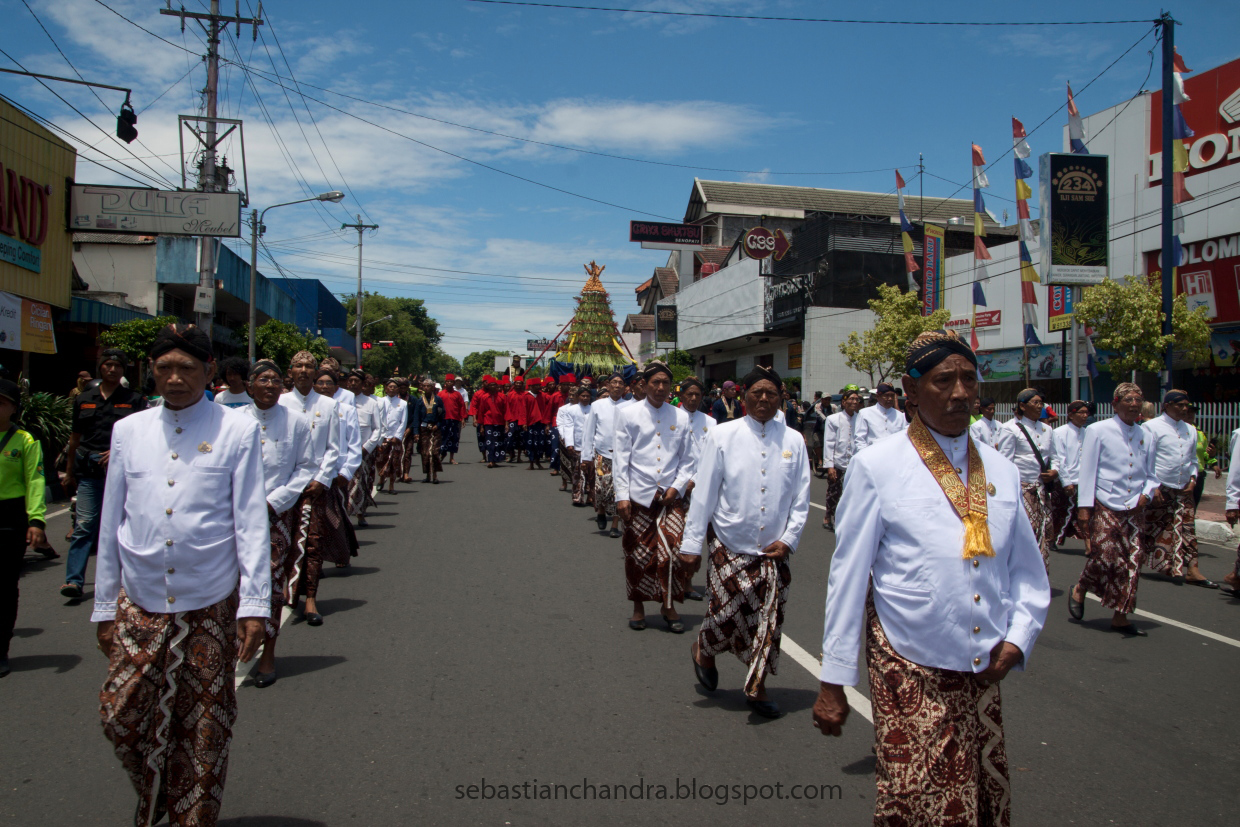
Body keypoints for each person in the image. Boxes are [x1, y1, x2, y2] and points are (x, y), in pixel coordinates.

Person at [813, 330, 1051, 824]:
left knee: (979, 798)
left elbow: (1027, 571)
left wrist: (1020, 637)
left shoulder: (1002, 471)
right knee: (914, 799)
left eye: (969, 379)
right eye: (944, 380)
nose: (960, 392)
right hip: (908, 658)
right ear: (911, 388)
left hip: (984, 664)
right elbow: (848, 577)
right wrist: (834, 680)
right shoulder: (878, 466)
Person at [93, 324, 269, 826]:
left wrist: (255, 605)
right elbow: (111, 520)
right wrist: (104, 606)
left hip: (209, 599)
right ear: (150, 371)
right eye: (164, 368)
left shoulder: (236, 429)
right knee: (121, 715)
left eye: (186, 368)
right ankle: (161, 793)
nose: (175, 378)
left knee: (204, 728)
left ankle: (191, 815)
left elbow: (250, 521)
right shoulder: (129, 430)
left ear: (208, 371)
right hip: (140, 597)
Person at [684, 365, 809, 719]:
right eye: (757, 393)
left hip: (773, 551)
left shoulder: (794, 441)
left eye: (772, 393)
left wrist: (789, 539)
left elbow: (801, 499)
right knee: (723, 612)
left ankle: (757, 686)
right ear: (744, 397)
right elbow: (704, 494)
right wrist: (691, 545)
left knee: (767, 619)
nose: (764, 399)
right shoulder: (722, 435)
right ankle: (704, 648)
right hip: (729, 542)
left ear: (781, 398)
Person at [243, 360, 316, 688]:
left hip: (276, 515)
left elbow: (306, 466)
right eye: (263, 379)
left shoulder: (296, 421)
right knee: (230, 584)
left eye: (275, 380)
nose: (270, 385)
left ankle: (268, 654)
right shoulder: (233, 421)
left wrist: (274, 502)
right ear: (250, 385)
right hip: (233, 516)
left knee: (271, 584)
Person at [1069, 383, 1160, 636]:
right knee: (1104, 555)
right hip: (1105, 501)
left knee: (1133, 560)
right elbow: (1087, 471)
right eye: (1128, 400)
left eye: (1138, 400)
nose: (1134, 405)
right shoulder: (1098, 430)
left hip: (1135, 506)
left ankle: (1121, 616)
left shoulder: (1147, 435)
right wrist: (1084, 508)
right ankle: (1081, 587)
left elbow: (1152, 474)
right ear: (1115, 404)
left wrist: (1147, 494)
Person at [613, 361, 695, 633]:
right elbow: (621, 458)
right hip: (638, 495)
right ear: (644, 384)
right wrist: (622, 496)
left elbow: (688, 459)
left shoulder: (681, 416)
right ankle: (638, 606)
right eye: (655, 382)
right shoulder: (628, 414)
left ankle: (668, 605)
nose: (660, 387)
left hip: (670, 497)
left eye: (665, 383)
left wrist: (678, 486)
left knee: (673, 552)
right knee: (638, 555)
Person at [62, 349, 147, 600]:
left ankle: (125, 581)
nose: (112, 369)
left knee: (123, 526)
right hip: (89, 472)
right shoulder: (84, 398)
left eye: (117, 365)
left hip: (122, 474)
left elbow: (143, 437)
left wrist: (118, 451)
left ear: (123, 370)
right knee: (84, 525)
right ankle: (73, 581)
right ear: (100, 367)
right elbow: (74, 438)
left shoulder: (134, 400)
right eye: (107, 365)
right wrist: (69, 472)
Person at [279, 354, 344, 625]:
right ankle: (282, 591)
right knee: (282, 542)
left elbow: (334, 447)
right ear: (290, 371)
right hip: (284, 487)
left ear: (316, 372)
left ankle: (311, 599)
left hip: (315, 486)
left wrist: (321, 479)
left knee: (313, 543)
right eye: (299, 366)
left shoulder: (328, 405)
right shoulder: (281, 402)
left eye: (309, 367)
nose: (304, 370)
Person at [1143, 391, 1216, 586]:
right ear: (1167, 406)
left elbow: (1193, 459)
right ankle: (1132, 561)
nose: (1184, 409)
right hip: (1160, 486)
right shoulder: (1151, 427)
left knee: (1187, 528)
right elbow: (1145, 459)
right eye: (1180, 405)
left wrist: (1192, 479)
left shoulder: (1190, 429)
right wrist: (1153, 487)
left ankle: (1192, 570)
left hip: (1183, 487)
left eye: (1186, 405)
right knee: (1150, 528)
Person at [0, 379, 47, 678]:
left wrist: (36, 520)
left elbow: (35, 481)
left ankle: (1, 648)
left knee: (5, 588)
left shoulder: (25, 440)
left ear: (14, 408)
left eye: (1, 403)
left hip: (9, 517)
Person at [996, 388, 1057, 570]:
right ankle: (1020, 571)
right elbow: (1004, 462)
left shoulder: (1047, 430)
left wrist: (1055, 472)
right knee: (1027, 531)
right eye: (1035, 403)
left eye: (1041, 403)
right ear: (1022, 406)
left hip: (1041, 489)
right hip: (1021, 489)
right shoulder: (1011, 429)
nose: (1040, 407)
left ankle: (1040, 572)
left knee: (1044, 531)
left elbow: (1055, 457)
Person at [313, 369, 361, 570]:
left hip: (336, 473)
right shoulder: (308, 409)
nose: (324, 387)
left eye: (329, 383)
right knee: (313, 521)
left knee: (336, 518)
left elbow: (354, 444)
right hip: (311, 474)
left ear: (336, 387)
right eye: (320, 383)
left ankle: (341, 552)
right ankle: (314, 562)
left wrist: (346, 472)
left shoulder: (346, 410)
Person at [675, 377, 714, 602]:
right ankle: (672, 581)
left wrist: (696, 481)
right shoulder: (671, 417)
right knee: (676, 536)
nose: (692, 398)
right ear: (681, 395)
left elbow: (711, 457)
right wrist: (682, 483)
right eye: (688, 394)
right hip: (675, 487)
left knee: (694, 536)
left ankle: (688, 582)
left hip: (701, 487)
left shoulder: (711, 422)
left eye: (697, 395)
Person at [579, 374, 633, 537]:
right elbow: (589, 432)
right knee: (601, 487)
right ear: (608, 386)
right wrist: (586, 457)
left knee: (619, 489)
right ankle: (601, 511)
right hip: (601, 455)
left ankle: (615, 524)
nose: (617, 385)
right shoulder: (597, 405)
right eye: (614, 382)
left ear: (625, 388)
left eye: (620, 383)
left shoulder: (630, 406)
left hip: (622, 456)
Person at [1049, 400, 1090, 548]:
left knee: (1085, 514)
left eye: (1086, 413)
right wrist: (1066, 482)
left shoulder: (1088, 432)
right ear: (1071, 415)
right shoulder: (1060, 433)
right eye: (1081, 413)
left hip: (1083, 480)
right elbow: (1060, 459)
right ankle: (1052, 539)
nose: (1085, 416)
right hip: (1066, 480)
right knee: (1060, 513)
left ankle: (1089, 544)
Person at [821, 388, 861, 532]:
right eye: (851, 399)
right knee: (834, 492)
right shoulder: (833, 419)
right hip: (838, 462)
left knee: (853, 493)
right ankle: (828, 515)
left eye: (856, 399)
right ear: (843, 402)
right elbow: (829, 442)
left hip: (855, 464)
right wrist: (830, 466)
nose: (854, 402)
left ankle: (848, 520)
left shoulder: (861, 419)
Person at [347, 371, 382, 526]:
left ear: (362, 384)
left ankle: (360, 513)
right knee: (345, 483)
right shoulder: (340, 401)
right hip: (344, 451)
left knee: (361, 482)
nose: (353, 384)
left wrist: (367, 447)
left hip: (364, 451)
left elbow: (377, 429)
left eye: (356, 381)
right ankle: (344, 515)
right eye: (351, 381)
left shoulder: (371, 403)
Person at [559, 384, 592, 504]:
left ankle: (590, 497)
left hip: (591, 446)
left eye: (587, 396)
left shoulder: (593, 409)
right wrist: (569, 444)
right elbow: (568, 427)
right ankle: (577, 497)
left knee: (591, 474)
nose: (585, 398)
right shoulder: (571, 410)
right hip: (576, 446)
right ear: (578, 396)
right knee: (577, 472)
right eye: (583, 396)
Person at [852, 382, 906, 452]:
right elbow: (859, 439)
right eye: (886, 396)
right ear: (878, 396)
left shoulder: (900, 416)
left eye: (892, 396)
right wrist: (865, 454)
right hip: (871, 454)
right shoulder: (865, 413)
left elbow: (903, 439)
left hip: (893, 455)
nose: (890, 399)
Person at [410, 378, 446, 484]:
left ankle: (435, 475)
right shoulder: (420, 401)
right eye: (424, 386)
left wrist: (438, 425)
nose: (426, 388)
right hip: (423, 429)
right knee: (425, 453)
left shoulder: (438, 400)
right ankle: (427, 475)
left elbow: (442, 415)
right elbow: (416, 417)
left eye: (428, 386)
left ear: (433, 387)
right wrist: (416, 432)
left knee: (434, 452)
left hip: (435, 429)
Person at [375, 379, 409, 490]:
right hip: (382, 436)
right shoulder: (379, 402)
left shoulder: (402, 403)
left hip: (395, 437)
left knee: (394, 461)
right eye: (390, 387)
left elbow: (403, 422)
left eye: (395, 387)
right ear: (386, 388)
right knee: (380, 460)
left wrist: (397, 436)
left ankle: (391, 485)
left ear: (398, 389)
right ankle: (381, 478)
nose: (392, 389)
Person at [1186, 404, 1218, 507]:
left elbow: (1203, 453)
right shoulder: (1176, 431)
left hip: (1198, 475)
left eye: (1193, 412)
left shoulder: (1199, 432)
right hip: (1183, 475)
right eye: (1188, 411)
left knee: (1193, 507)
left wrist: (1213, 461)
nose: (1190, 414)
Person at [476, 376, 507, 469]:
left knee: (499, 442)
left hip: (500, 422)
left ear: (497, 386)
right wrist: (481, 426)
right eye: (491, 385)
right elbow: (481, 412)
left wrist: (507, 424)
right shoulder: (484, 397)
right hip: (488, 422)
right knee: (489, 442)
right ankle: (490, 460)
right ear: (488, 386)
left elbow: (506, 411)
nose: (493, 387)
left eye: (494, 385)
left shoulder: (502, 397)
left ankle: (495, 460)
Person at [438, 373, 466, 465]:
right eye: (448, 381)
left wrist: (463, 418)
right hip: (443, 419)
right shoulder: (440, 394)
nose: (449, 383)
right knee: (442, 438)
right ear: (445, 383)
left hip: (455, 419)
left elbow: (462, 406)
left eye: (451, 382)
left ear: (453, 383)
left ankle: (452, 458)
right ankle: (442, 454)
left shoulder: (457, 394)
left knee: (454, 438)